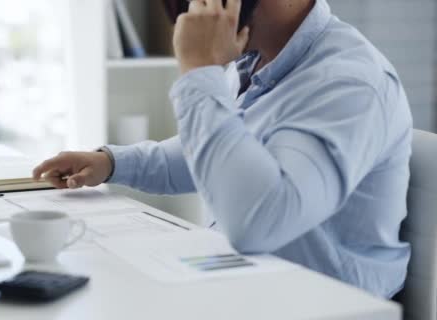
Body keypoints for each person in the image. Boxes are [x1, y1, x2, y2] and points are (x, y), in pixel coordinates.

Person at [33, 0, 412, 298]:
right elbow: (216, 156)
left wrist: (199, 72)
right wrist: (111, 163)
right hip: (247, 281)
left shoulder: (348, 83)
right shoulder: (252, 59)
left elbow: (259, 223)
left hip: (323, 301)